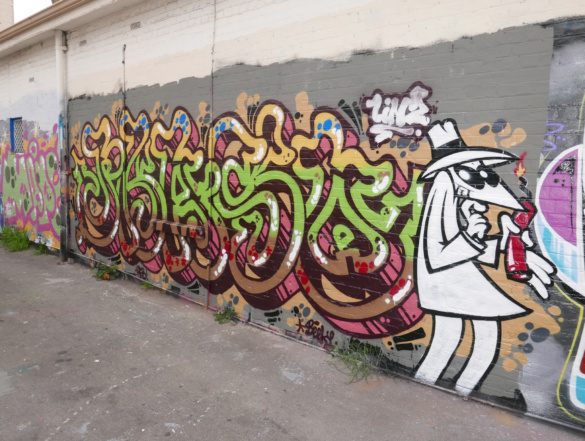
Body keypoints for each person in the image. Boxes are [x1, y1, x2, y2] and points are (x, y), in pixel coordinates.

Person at [414, 119, 555, 395]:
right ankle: (436, 390)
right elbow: (436, 255)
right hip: (445, 282)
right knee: (452, 340)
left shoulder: (461, 199)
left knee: (478, 341)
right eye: (473, 169)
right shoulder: (443, 193)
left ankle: (455, 391)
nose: (484, 177)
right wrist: (472, 236)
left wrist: (504, 243)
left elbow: (465, 249)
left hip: (461, 278)